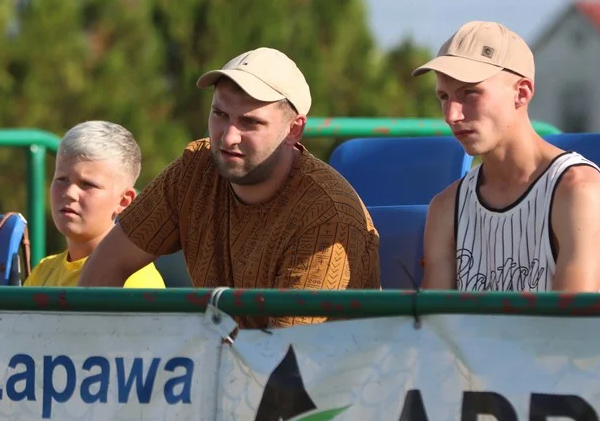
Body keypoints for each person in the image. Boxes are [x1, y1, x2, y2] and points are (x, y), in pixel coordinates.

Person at [78, 47, 382, 328]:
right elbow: (103, 269)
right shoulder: (194, 169)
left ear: (294, 129)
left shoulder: (327, 216)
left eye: (250, 122)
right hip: (222, 370)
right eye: (219, 115)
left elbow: (291, 364)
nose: (227, 137)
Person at [412, 21, 600, 292]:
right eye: (444, 97)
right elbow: (435, 329)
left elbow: (574, 329)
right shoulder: (445, 208)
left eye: (469, 93)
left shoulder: (578, 191)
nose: (451, 115)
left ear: (522, 92)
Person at [24, 120, 165, 288]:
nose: (69, 193)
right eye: (61, 179)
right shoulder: (43, 272)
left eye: (87, 184)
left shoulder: (133, 281)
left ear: (124, 201)